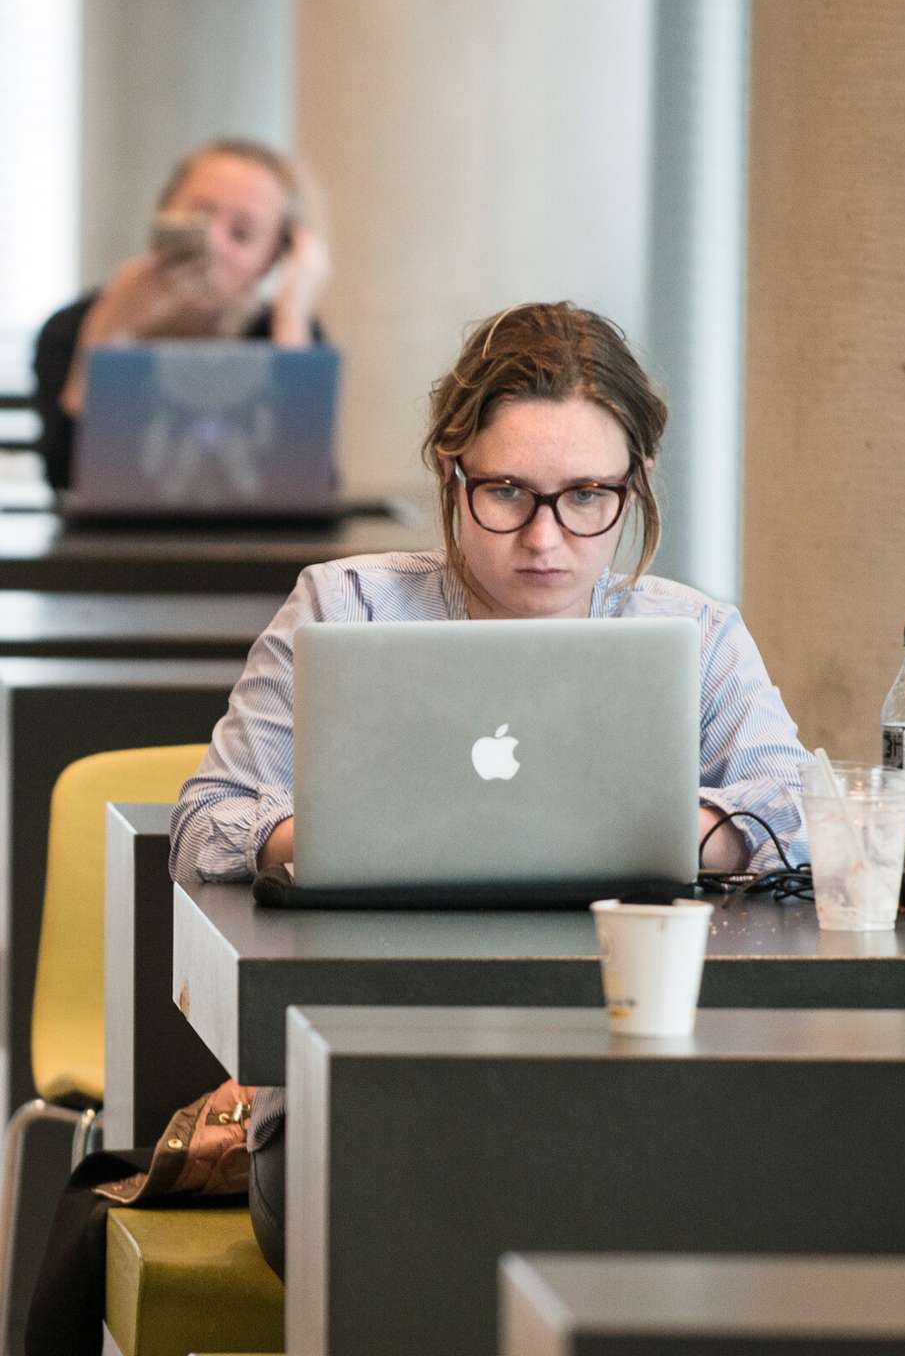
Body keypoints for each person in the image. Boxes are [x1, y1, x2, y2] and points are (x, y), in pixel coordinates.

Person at [168, 299, 813, 1279]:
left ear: (634, 487)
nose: (547, 538)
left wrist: (659, 826)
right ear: (451, 468)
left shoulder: (696, 633)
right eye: (508, 492)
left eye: (588, 494)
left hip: (623, 1070)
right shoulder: (346, 607)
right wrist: (355, 830)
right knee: (398, 1217)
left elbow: (798, 806)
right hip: (361, 1069)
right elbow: (207, 821)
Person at [33, 136, 330, 488]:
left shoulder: (286, 335)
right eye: (198, 219)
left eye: (241, 234)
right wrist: (107, 334)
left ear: (274, 259)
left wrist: (292, 320)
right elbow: (64, 477)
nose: (213, 243)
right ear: (161, 214)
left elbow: (308, 486)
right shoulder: (73, 326)